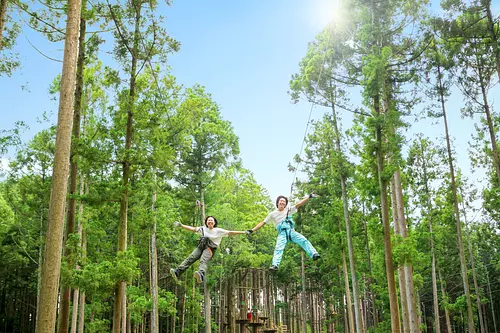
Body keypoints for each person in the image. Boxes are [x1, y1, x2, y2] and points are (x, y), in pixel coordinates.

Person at [247, 194, 320, 271]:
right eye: (281, 201)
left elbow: (298, 204)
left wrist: (309, 197)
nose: (282, 202)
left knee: (303, 240)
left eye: (284, 201)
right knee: (278, 248)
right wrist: (252, 230)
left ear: (285, 204)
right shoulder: (272, 214)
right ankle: (275, 264)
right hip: (282, 233)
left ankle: (314, 254)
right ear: (277, 202)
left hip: (291, 231)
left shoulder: (288, 210)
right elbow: (263, 223)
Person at [170, 216, 247, 283]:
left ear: (214, 223)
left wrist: (243, 232)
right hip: (201, 246)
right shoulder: (203, 229)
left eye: (211, 220)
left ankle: (201, 274)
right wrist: (182, 225)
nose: (210, 221)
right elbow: (193, 229)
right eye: (208, 220)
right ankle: (178, 272)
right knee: (191, 258)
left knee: (203, 260)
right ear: (206, 222)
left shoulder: (218, 231)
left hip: (210, 248)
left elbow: (231, 232)